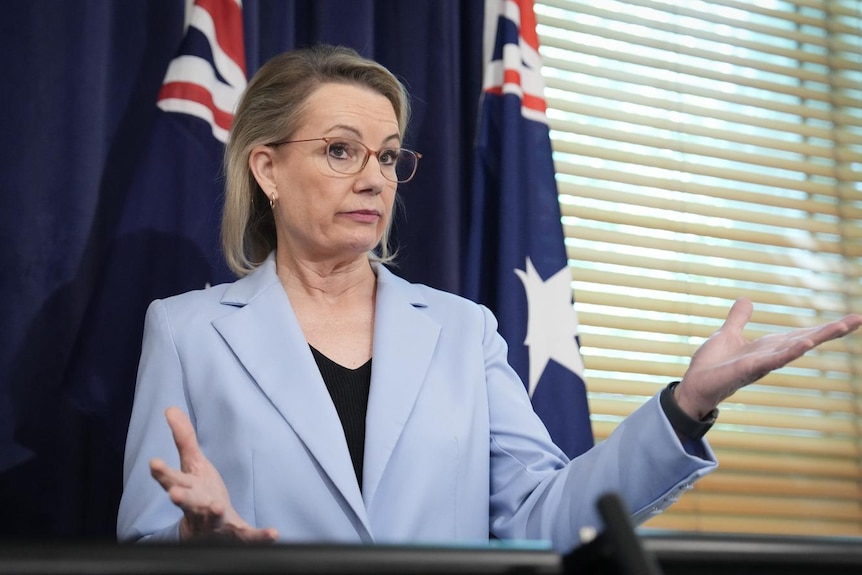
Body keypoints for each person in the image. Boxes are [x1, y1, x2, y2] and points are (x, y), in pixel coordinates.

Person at [116, 44, 862, 552]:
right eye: (341, 150)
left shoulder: (461, 330)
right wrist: (192, 540)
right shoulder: (187, 331)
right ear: (269, 169)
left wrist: (684, 405)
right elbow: (146, 536)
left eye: (386, 155)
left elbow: (546, 513)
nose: (374, 178)